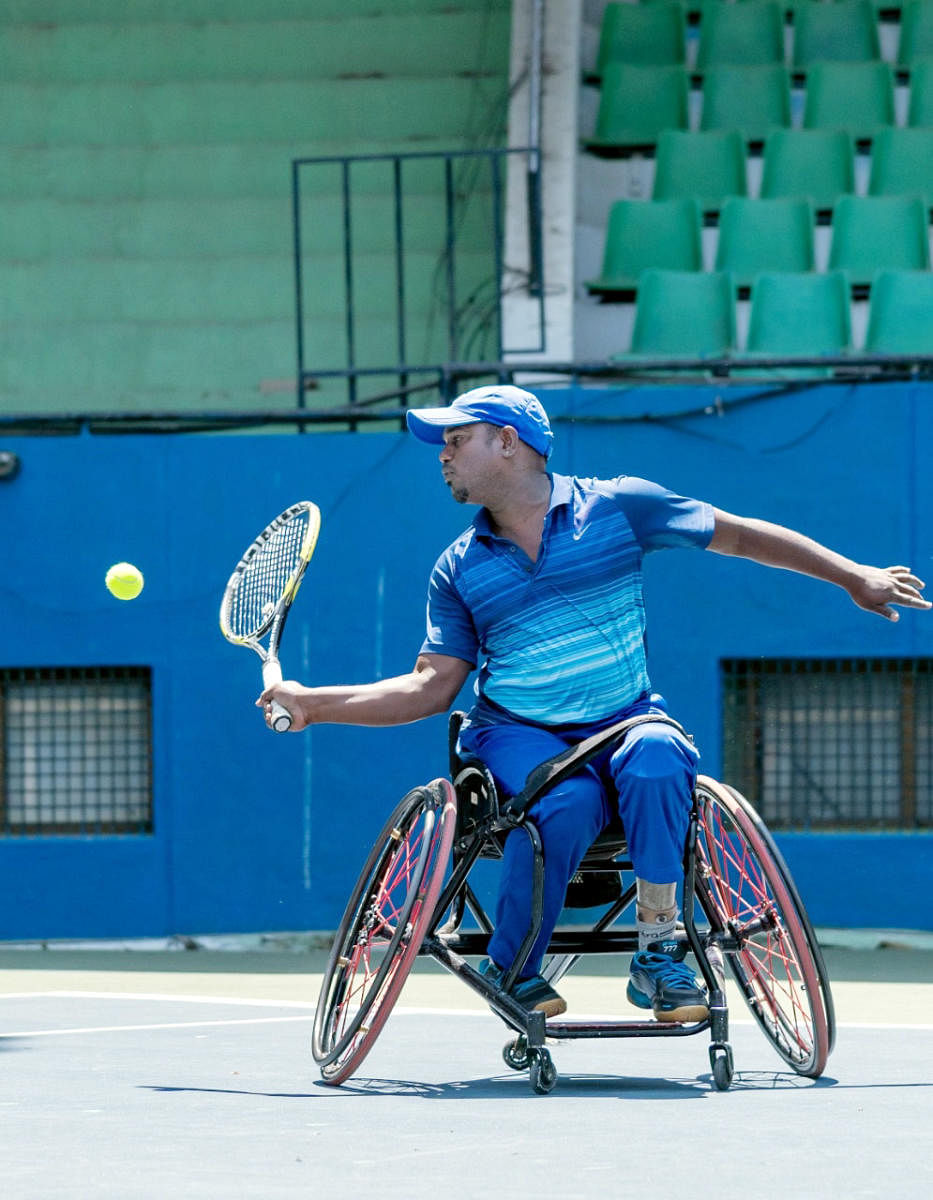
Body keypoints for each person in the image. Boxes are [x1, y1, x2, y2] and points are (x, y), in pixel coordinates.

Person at [258, 384, 930, 1022]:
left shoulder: (618, 507)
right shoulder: (458, 568)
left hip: (624, 718)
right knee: (566, 799)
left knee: (662, 754)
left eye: (456, 439)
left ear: (507, 442)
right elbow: (430, 687)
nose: (443, 454)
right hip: (516, 733)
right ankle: (513, 965)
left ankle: (660, 950)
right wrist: (315, 703)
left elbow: (743, 535)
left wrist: (851, 576)